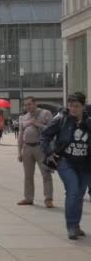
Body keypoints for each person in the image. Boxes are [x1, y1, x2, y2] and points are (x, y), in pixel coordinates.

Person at [41, 92, 91, 239]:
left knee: (80, 195)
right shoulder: (62, 119)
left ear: (83, 106)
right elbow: (45, 135)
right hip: (65, 162)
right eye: (70, 106)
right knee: (73, 191)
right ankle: (70, 226)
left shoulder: (88, 121)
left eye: (76, 106)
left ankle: (76, 225)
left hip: (85, 164)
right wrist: (49, 152)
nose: (73, 109)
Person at [17, 96, 54, 208]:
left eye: (29, 104)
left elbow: (52, 130)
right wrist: (19, 151)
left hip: (41, 147)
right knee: (28, 175)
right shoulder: (23, 117)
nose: (28, 106)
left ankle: (48, 199)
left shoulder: (45, 113)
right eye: (26, 105)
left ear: (35, 103)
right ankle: (28, 198)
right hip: (27, 148)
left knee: (46, 174)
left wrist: (37, 124)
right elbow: (20, 135)